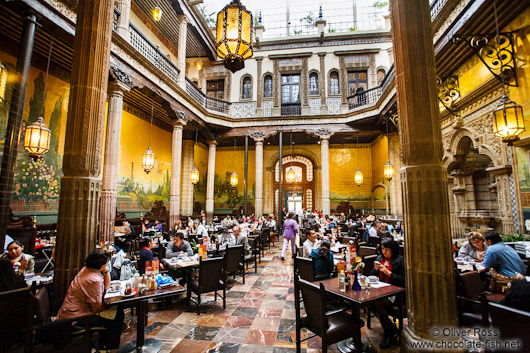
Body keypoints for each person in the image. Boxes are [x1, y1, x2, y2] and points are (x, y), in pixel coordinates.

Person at [57, 250, 124, 350]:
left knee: (115, 313)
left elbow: (107, 286)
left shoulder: (87, 270)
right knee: (117, 315)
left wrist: (105, 271)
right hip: (76, 318)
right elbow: (96, 309)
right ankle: (108, 348)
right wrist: (110, 304)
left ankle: (105, 346)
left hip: (70, 313)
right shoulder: (93, 279)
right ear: (101, 264)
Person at [370, 238, 405, 349]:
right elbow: (372, 277)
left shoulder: (400, 261)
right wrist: (375, 270)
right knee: (369, 302)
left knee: (375, 304)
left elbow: (403, 280)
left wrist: (388, 273)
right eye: (383, 248)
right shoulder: (380, 258)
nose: (384, 251)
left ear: (393, 250)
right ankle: (392, 330)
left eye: (387, 249)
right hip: (379, 290)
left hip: (394, 293)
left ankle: (388, 335)